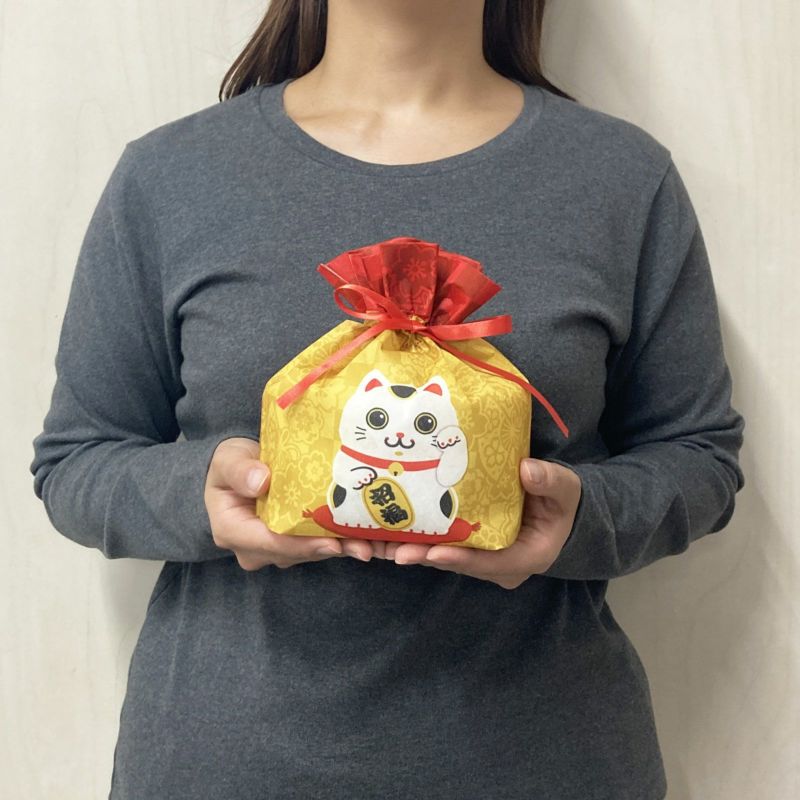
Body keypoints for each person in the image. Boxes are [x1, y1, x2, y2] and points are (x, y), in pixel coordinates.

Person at [29, 1, 746, 798]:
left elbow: (701, 459)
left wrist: (578, 518)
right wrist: (202, 496)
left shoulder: (622, 178)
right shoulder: (171, 175)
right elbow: (74, 462)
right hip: (227, 767)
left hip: (543, 762)